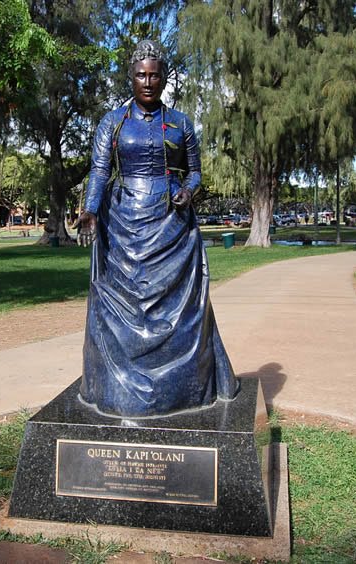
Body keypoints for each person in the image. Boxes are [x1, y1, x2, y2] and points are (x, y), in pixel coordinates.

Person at [75, 40, 238, 418]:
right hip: (122, 223)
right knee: (118, 307)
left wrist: (188, 190)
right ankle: (116, 388)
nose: (148, 82)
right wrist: (90, 210)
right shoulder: (112, 122)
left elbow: (195, 171)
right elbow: (100, 170)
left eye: (154, 75)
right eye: (140, 75)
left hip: (171, 225)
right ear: (130, 78)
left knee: (179, 310)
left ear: (164, 78)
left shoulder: (181, 123)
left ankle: (181, 389)